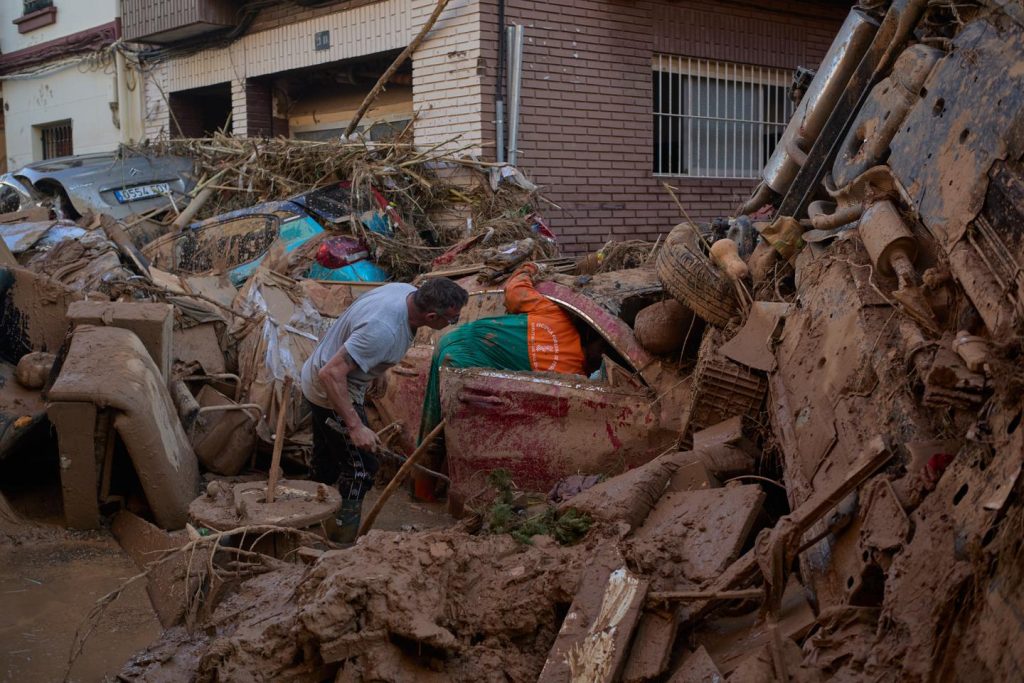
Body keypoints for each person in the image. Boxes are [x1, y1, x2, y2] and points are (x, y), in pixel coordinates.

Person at [301, 277, 468, 541]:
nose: (453, 324)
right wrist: (355, 427)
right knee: (361, 469)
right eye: (452, 320)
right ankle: (339, 542)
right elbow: (331, 374)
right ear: (432, 316)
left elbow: (359, 329)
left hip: (320, 374)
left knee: (327, 463)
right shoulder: (383, 330)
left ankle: (304, 522)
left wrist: (374, 370)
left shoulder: (405, 292)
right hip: (329, 392)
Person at [418, 263, 589, 445]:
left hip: (453, 339)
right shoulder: (574, 375)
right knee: (457, 441)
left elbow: (514, 289)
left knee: (434, 429)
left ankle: (424, 466)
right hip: (464, 363)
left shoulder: (555, 314)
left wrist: (530, 268)